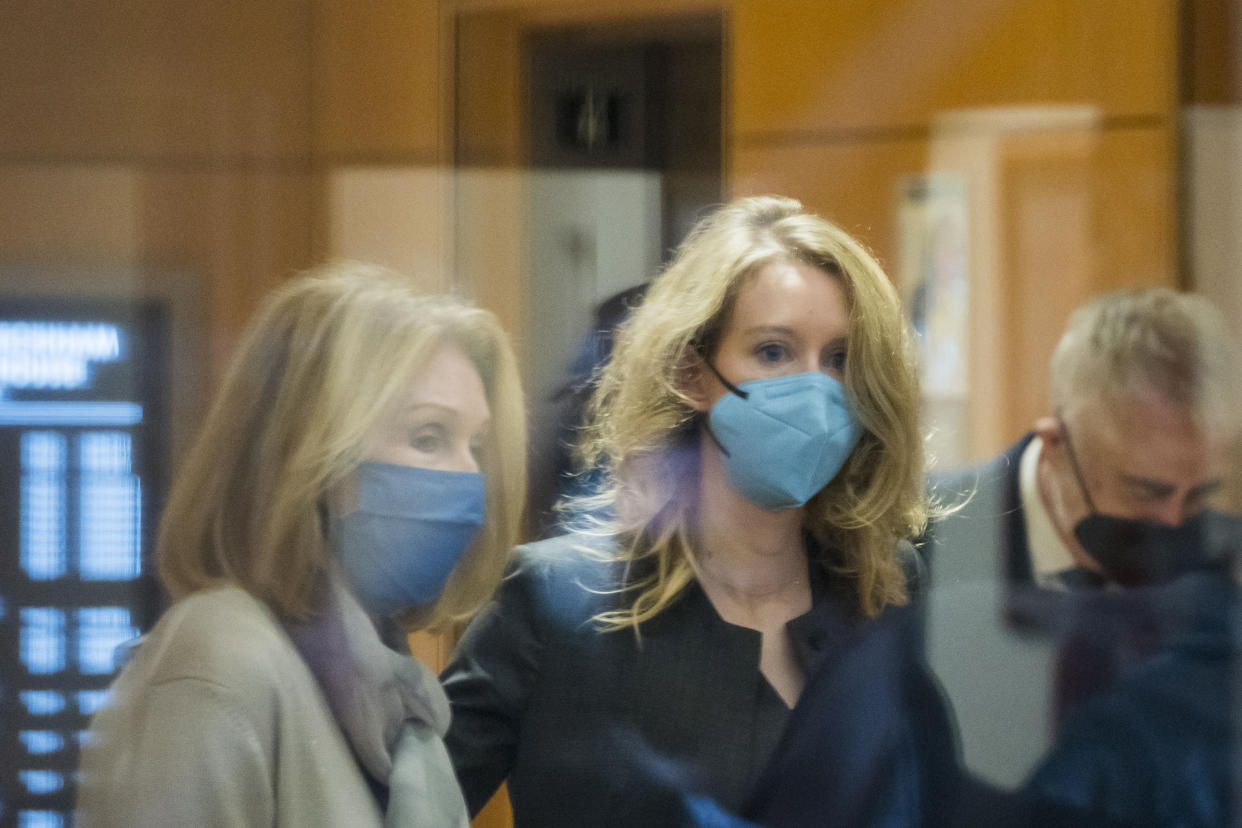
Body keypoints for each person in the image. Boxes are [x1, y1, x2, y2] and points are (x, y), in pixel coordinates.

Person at [441, 195, 930, 826]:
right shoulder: (556, 601)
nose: (817, 388)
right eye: (774, 352)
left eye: (839, 359)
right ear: (693, 375)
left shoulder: (886, 584)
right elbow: (413, 807)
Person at [75, 264, 526, 826]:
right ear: (312, 457)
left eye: (476, 445)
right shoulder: (220, 661)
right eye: (428, 437)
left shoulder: (393, 701)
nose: (468, 476)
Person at [922, 287, 1242, 789]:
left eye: (1199, 495)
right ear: (1055, 446)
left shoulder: (1228, 568)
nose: (1174, 523)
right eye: (1144, 491)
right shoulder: (916, 547)